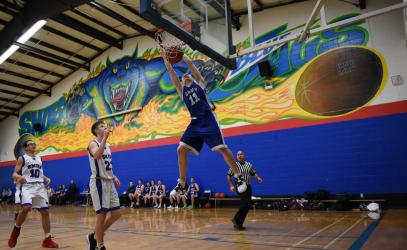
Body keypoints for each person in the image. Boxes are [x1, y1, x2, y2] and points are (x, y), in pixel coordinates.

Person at [161, 51, 246, 193]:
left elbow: (190, 65)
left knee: (222, 148)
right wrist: (165, 56)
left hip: (208, 118)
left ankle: (238, 176)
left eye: (188, 74)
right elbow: (171, 72)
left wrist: (183, 56)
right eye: (182, 77)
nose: (185, 76)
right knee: (180, 149)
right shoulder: (182, 92)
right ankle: (182, 183)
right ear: (181, 82)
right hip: (195, 123)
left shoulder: (200, 84)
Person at [7, 140, 59, 248]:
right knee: (26, 208)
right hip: (28, 186)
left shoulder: (39, 158)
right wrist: (19, 177)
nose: (33, 145)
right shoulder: (22, 158)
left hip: (40, 186)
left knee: (45, 211)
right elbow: (14, 173)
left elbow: (38, 173)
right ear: (25, 148)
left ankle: (47, 239)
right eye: (31, 144)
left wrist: (46, 178)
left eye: (34, 144)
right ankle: (15, 231)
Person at [86, 121, 122, 250]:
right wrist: (105, 138)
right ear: (96, 130)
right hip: (98, 182)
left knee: (116, 213)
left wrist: (113, 176)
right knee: (102, 214)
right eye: (102, 126)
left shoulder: (108, 145)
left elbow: (107, 164)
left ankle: (94, 235)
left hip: (109, 181)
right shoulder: (93, 144)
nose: (105, 128)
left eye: (105, 126)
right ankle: (99, 245)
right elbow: (97, 155)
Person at [227, 150, 263, 230]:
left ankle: (239, 224)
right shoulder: (234, 165)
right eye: (238, 154)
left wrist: (258, 178)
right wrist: (231, 185)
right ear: (236, 157)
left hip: (248, 186)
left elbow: (253, 173)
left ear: (244, 155)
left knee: (248, 204)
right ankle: (235, 219)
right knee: (246, 203)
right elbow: (229, 175)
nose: (240, 156)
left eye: (241, 154)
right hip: (240, 186)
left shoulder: (249, 165)